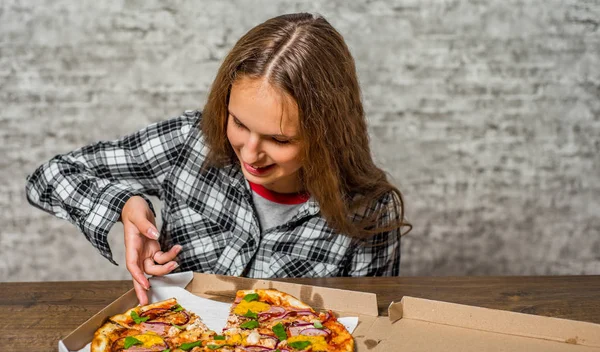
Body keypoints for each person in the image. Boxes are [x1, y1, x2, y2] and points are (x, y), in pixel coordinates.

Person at [26, 13, 411, 305]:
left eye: (278, 139)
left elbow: (364, 327)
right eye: (239, 123)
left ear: (328, 135)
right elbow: (48, 177)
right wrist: (126, 204)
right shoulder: (186, 142)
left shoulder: (369, 211)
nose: (250, 152)